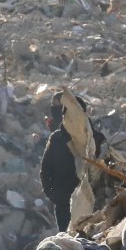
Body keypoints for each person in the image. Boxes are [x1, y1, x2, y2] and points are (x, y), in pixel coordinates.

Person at [38, 98, 82, 232]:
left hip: (87, 202)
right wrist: (52, 194)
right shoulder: (57, 138)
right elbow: (45, 169)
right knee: (66, 239)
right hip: (63, 201)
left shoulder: (92, 138)